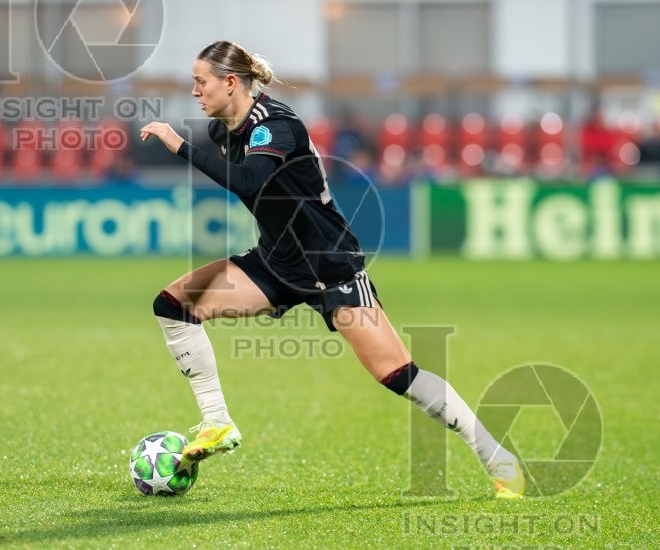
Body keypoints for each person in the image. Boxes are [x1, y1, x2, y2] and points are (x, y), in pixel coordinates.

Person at [139, 40, 525, 499]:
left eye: (200, 82)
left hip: (331, 268)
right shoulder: (227, 129)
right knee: (174, 304)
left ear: (230, 82)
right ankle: (217, 423)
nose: (195, 92)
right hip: (277, 264)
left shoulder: (275, 125)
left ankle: (499, 459)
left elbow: (249, 182)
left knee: (398, 375)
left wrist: (177, 143)